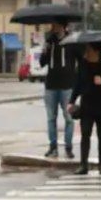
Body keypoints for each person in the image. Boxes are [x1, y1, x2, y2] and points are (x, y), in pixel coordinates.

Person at [67, 41, 101, 175]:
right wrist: (71, 101)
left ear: (96, 51)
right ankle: (83, 165)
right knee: (85, 134)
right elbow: (77, 84)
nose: (86, 52)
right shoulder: (83, 65)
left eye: (89, 49)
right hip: (87, 105)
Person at [40, 20, 78, 159]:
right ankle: (53, 147)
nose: (53, 28)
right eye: (52, 25)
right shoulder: (50, 42)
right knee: (51, 118)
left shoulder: (72, 42)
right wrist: (45, 50)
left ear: (63, 26)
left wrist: (77, 81)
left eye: (55, 25)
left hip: (67, 86)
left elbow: (78, 61)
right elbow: (42, 63)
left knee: (69, 118)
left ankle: (68, 147)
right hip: (51, 85)